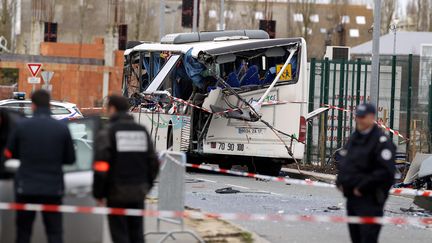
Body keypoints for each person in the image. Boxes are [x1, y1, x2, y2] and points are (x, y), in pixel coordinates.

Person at [3, 90, 76, 243]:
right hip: (53, 189)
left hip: (26, 187)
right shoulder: (62, 128)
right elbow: (70, 159)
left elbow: (9, 153)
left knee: (23, 232)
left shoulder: (21, 126)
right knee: (54, 232)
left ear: (33, 105)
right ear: (49, 105)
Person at [92, 95, 159, 243]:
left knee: (119, 233)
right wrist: (147, 185)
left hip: (116, 193)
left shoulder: (108, 132)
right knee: (137, 233)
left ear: (113, 109)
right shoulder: (141, 131)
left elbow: (101, 166)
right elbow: (153, 162)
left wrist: (99, 193)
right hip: (138, 191)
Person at [336, 103, 396, 243]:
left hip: (370, 200)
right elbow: (346, 163)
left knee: (368, 238)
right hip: (352, 199)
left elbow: (385, 172)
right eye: (358, 116)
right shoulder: (354, 138)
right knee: (356, 238)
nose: (359, 120)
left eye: (363, 117)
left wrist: (362, 187)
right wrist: (340, 182)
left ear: (371, 118)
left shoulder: (381, 141)